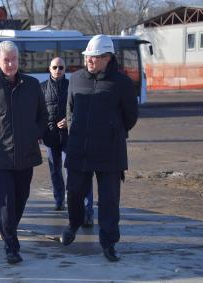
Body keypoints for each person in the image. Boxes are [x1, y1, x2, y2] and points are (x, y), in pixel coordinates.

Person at [60, 35, 138, 262]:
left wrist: (112, 130)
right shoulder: (75, 79)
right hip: (79, 150)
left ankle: (109, 243)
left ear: (107, 58)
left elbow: (130, 116)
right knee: (74, 193)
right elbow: (69, 110)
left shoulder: (121, 83)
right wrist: (77, 131)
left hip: (109, 151)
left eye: (94, 57)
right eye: (87, 57)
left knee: (109, 200)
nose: (89, 61)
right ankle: (74, 224)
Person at [0, 41, 48, 264]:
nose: (11, 63)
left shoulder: (33, 85)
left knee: (21, 199)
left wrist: (34, 133)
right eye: (6, 60)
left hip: (27, 155)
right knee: (6, 202)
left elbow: (43, 117)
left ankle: (9, 230)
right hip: (1, 157)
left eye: (14, 59)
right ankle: (11, 246)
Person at [41, 57, 95, 222]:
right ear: (49, 69)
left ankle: (85, 210)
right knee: (54, 171)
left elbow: (79, 108)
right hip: (50, 137)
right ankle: (59, 200)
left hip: (69, 137)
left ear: (65, 69)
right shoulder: (42, 87)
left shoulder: (72, 85)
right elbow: (39, 112)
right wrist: (42, 130)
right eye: (55, 67)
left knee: (72, 172)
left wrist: (68, 120)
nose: (58, 70)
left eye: (61, 67)